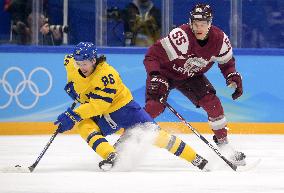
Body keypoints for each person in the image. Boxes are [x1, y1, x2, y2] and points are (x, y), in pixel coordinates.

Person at [54, 42, 210, 171]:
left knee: (157, 136)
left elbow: (98, 106)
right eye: (78, 63)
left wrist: (73, 115)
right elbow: (72, 75)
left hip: (126, 111)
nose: (81, 67)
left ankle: (195, 158)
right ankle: (111, 155)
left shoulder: (107, 76)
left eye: (85, 63)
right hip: (106, 116)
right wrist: (73, 89)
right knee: (84, 126)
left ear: (94, 61)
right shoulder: (71, 63)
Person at [143, 3, 246, 166]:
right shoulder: (181, 36)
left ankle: (223, 144)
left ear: (210, 23)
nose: (199, 28)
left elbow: (227, 63)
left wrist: (232, 76)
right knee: (154, 107)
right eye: (196, 24)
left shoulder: (220, 40)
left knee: (213, 104)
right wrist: (154, 74)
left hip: (190, 76)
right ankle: (125, 141)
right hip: (164, 72)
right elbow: (152, 55)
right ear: (190, 22)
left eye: (203, 24)